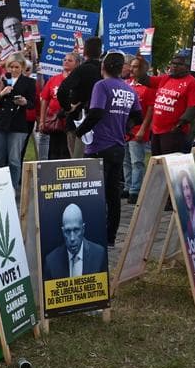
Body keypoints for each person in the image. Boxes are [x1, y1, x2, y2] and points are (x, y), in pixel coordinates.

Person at [74, 52, 142, 244]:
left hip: (98, 146)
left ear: (103, 67)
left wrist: (80, 131)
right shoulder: (129, 90)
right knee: (113, 196)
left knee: (93, 194)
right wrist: (125, 129)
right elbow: (138, 116)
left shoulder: (101, 85)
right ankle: (110, 237)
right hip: (118, 146)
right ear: (121, 69)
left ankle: (92, 236)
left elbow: (96, 112)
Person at [0, 52, 37, 194]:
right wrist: (1, 93)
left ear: (22, 67)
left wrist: (25, 102)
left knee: (14, 160)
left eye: (17, 67)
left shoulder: (29, 82)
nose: (14, 70)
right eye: (11, 67)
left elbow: (33, 103)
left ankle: (12, 189)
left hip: (17, 125)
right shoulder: (0, 80)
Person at [146, 51, 195, 157]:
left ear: (186, 67)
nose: (174, 66)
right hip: (156, 129)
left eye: (178, 64)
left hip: (173, 132)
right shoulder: (165, 78)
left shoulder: (192, 83)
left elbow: (194, 106)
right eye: (173, 63)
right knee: (156, 161)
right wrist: (141, 63)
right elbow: (145, 80)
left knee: (169, 162)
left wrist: (179, 125)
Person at [58, 37, 104, 158]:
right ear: (100, 52)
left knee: (78, 162)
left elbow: (62, 90)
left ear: (84, 52)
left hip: (79, 119)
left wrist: (67, 107)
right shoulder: (105, 70)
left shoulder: (81, 70)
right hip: (101, 120)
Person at [43, 204, 107, 278]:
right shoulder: (51, 262)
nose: (72, 238)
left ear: (83, 229)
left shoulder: (99, 255)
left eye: (76, 230)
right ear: (63, 231)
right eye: (68, 231)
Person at [124, 56, 155, 202]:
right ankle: (127, 186)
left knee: (137, 161)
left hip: (138, 129)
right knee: (126, 160)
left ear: (143, 69)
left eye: (135, 66)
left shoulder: (148, 87)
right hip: (124, 129)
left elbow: (150, 110)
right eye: (131, 66)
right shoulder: (127, 84)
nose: (131, 69)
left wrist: (143, 129)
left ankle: (135, 190)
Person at [38, 52, 77, 160]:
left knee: (68, 153)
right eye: (65, 60)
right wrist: (42, 120)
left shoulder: (78, 79)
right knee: (54, 152)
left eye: (70, 60)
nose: (66, 62)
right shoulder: (53, 79)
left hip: (70, 123)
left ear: (76, 64)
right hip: (54, 122)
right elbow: (45, 100)